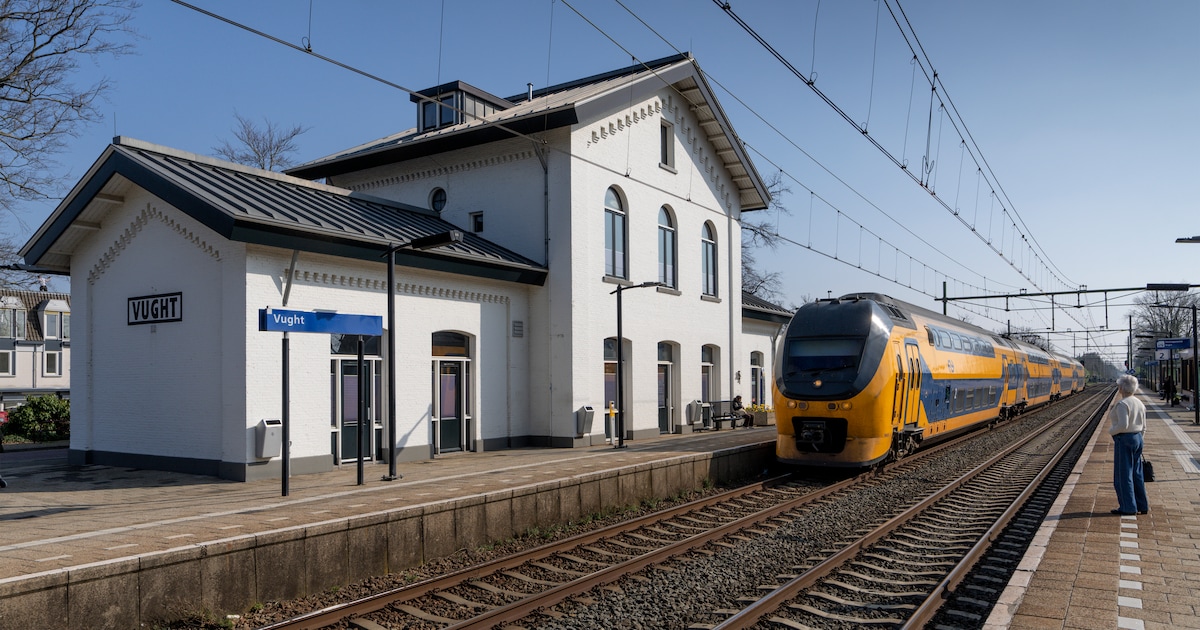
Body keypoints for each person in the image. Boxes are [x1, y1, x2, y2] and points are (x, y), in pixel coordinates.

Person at [1108, 374, 1149, 516]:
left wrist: (1111, 431)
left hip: (1124, 439)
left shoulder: (1122, 404)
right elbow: (1144, 426)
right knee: (1137, 474)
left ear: (1121, 388)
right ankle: (1142, 505)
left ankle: (1128, 507)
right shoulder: (1139, 403)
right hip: (1138, 438)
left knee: (1123, 475)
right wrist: (1139, 438)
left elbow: (1123, 425)